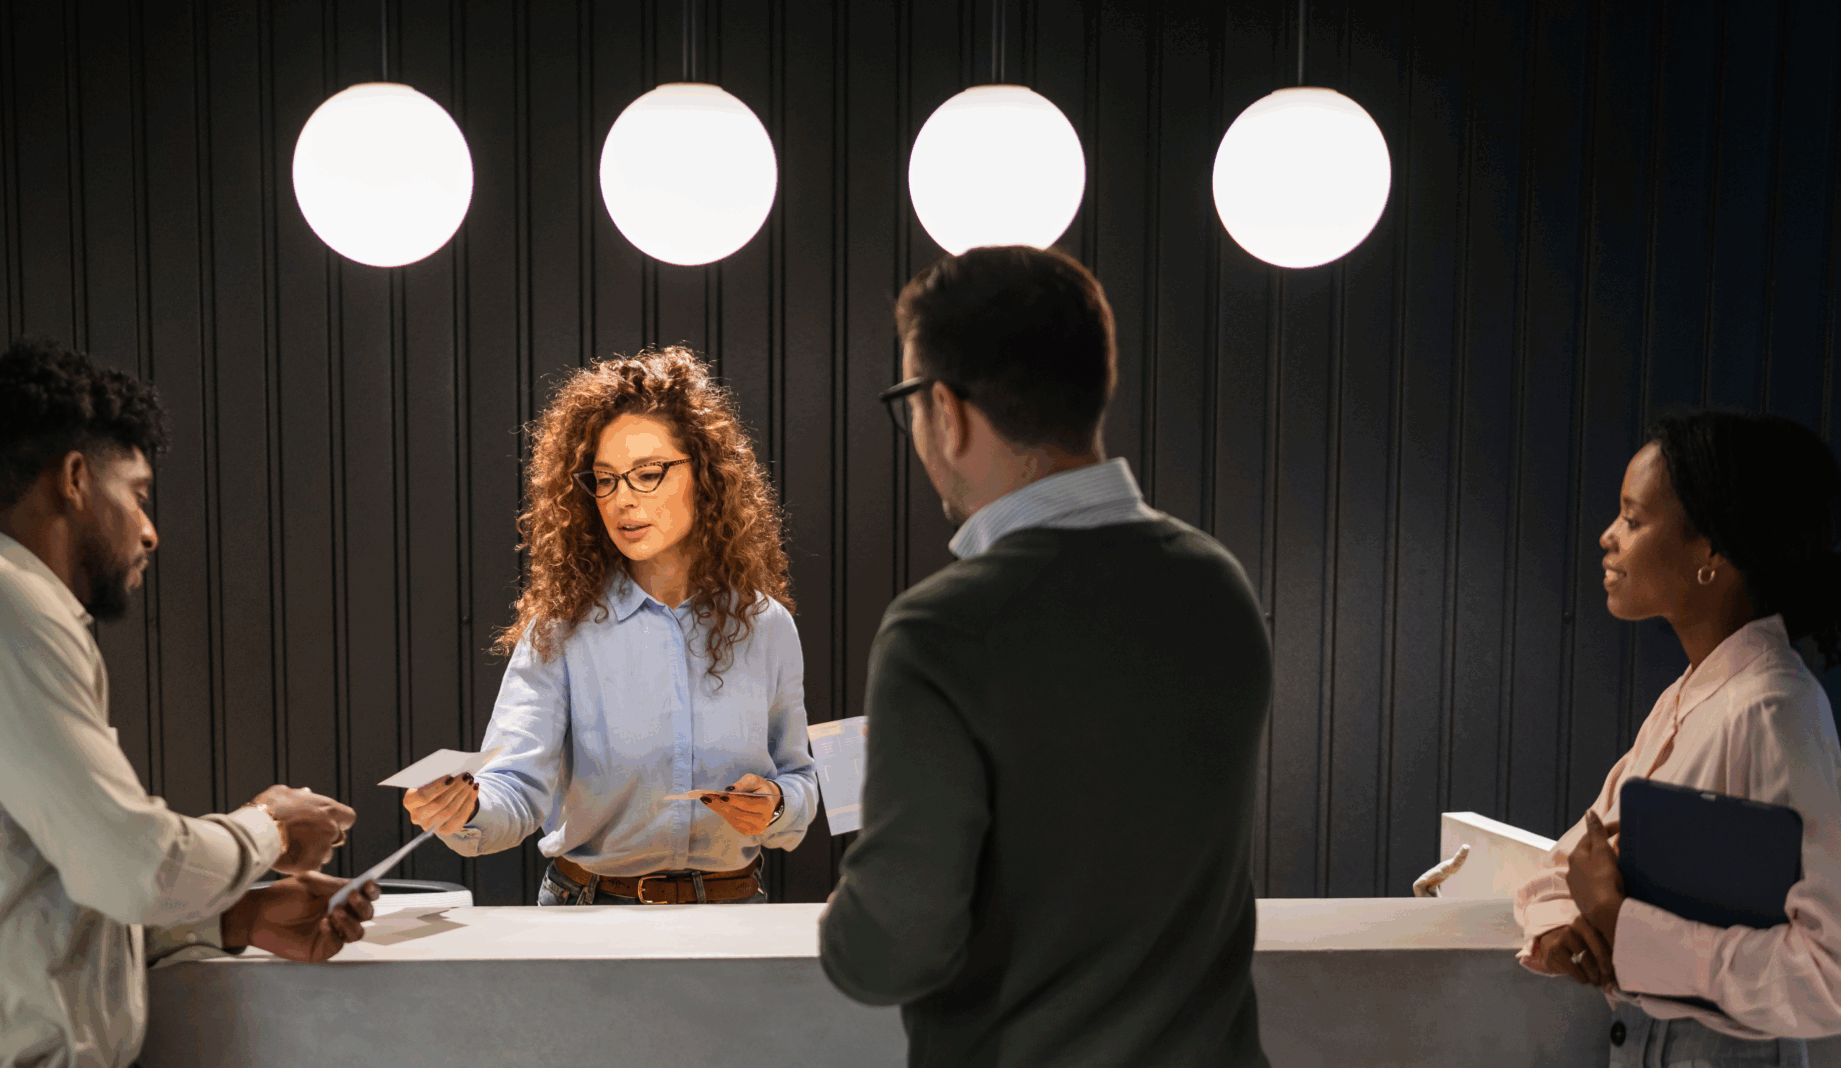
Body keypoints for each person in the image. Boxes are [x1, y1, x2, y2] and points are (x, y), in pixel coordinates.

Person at [0, 339, 378, 1068]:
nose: (150, 530)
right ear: (73, 478)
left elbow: (47, 888)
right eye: (137, 493)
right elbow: (135, 868)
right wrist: (272, 830)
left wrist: (239, 916)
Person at [817, 246, 1272, 1068]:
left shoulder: (942, 632)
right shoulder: (1220, 587)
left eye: (909, 403)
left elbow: (887, 950)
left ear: (946, 412)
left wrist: (848, 908)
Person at [1516, 410, 1841, 1065]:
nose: (1608, 537)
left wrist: (1623, 925)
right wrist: (1569, 930)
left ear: (1711, 553)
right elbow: (1570, 865)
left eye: (1633, 520)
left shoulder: (1771, 709)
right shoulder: (1688, 699)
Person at [399, 345, 819, 904]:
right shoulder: (562, 630)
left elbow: (800, 778)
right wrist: (465, 808)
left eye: (648, 474)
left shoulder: (764, 625)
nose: (623, 500)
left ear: (707, 477)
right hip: (590, 911)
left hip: (733, 910)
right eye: (605, 479)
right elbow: (515, 789)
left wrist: (776, 805)